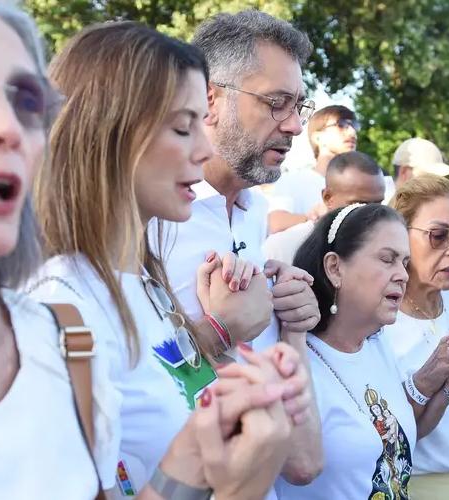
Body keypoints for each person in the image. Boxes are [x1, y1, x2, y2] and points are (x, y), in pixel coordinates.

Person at [26, 22, 310, 500]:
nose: (203, 149)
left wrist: (247, 397)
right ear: (107, 131)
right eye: (183, 127)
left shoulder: (141, 281)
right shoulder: (59, 308)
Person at [154, 10, 325, 487]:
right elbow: (118, 375)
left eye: (299, 106)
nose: (295, 126)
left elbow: (304, 464)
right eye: (276, 103)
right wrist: (218, 329)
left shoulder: (254, 211)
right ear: (209, 99)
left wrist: (291, 320)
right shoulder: (151, 215)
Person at [277, 203, 449, 499]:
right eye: (387, 260)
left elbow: (400, 437)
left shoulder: (375, 343)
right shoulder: (294, 354)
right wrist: (294, 334)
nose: (403, 275)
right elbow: (300, 469)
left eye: (404, 262)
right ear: (335, 268)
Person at [384, 175, 449, 499]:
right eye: (438, 236)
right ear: (399, 236)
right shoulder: (379, 321)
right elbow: (382, 430)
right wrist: (431, 377)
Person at [263, 151, 385, 264]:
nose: (371, 214)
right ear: (328, 197)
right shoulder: (282, 249)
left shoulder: (387, 247)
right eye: (359, 204)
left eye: (377, 204)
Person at [268, 105, 359, 233]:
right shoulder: (293, 180)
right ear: (317, 138)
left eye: (355, 126)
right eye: (341, 125)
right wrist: (316, 218)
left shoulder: (361, 185)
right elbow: (276, 223)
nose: (352, 132)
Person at [386, 138, 449, 203]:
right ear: (404, 172)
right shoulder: (382, 203)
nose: (435, 185)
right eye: (428, 177)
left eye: (438, 179)